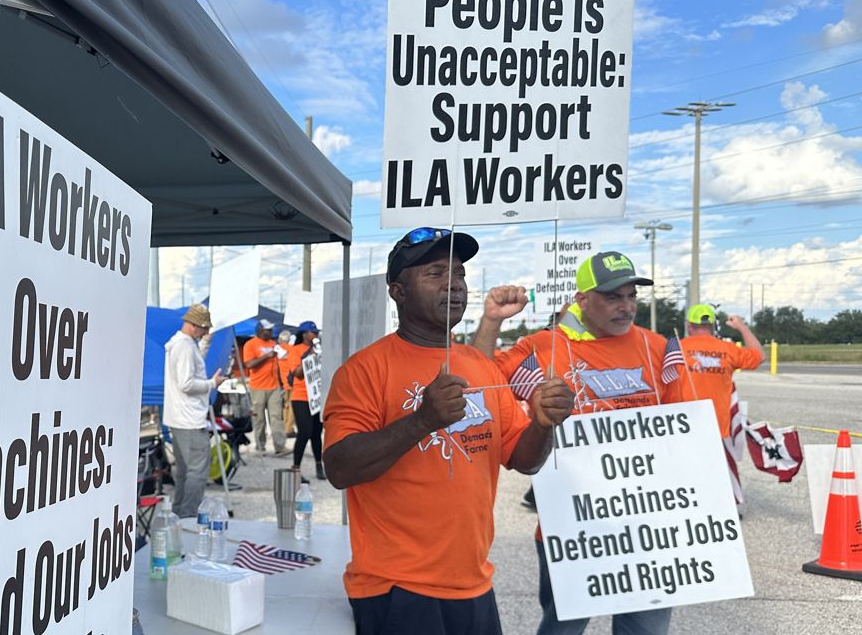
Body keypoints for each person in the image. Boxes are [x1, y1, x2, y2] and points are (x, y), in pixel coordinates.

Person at [323, 227, 576, 635]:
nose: (454, 286)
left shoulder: (480, 366)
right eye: (435, 274)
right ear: (398, 292)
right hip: (396, 588)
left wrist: (544, 423)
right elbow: (339, 467)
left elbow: (524, 460)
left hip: (474, 584)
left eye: (459, 274)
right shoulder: (365, 369)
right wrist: (422, 420)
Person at [471, 251, 684, 635]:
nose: (627, 306)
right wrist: (491, 321)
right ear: (582, 299)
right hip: (572, 524)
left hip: (647, 527)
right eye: (613, 297)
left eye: (632, 296)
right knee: (562, 628)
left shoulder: (658, 348)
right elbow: (477, 381)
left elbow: (685, 432)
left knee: (646, 630)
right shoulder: (546, 347)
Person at [163, 303, 225, 519]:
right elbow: (187, 383)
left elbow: (191, 368)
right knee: (197, 471)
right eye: (203, 329)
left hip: (178, 417)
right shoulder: (185, 347)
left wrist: (205, 345)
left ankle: (179, 513)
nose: (205, 332)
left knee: (185, 471)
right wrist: (212, 384)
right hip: (189, 418)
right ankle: (188, 516)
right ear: (194, 326)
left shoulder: (181, 344)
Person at [680, 304, 764, 443]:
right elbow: (759, 356)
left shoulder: (675, 348)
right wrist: (742, 327)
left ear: (689, 325)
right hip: (717, 430)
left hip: (683, 428)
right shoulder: (728, 350)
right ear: (712, 325)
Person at [285, 321, 326, 481]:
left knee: (317, 433)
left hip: (317, 397)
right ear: (304, 334)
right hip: (301, 396)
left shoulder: (321, 350)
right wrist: (309, 358)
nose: (315, 335)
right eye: (312, 332)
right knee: (304, 432)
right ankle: (296, 469)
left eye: (316, 332)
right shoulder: (295, 350)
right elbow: (297, 373)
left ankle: (319, 465)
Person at [243, 319, 289, 455]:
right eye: (267, 330)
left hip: (274, 386)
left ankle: (280, 446)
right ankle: (260, 446)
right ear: (260, 331)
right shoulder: (250, 345)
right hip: (257, 386)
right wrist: (266, 356)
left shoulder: (273, 344)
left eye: (270, 330)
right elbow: (249, 364)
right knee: (259, 418)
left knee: (276, 417)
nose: (270, 332)